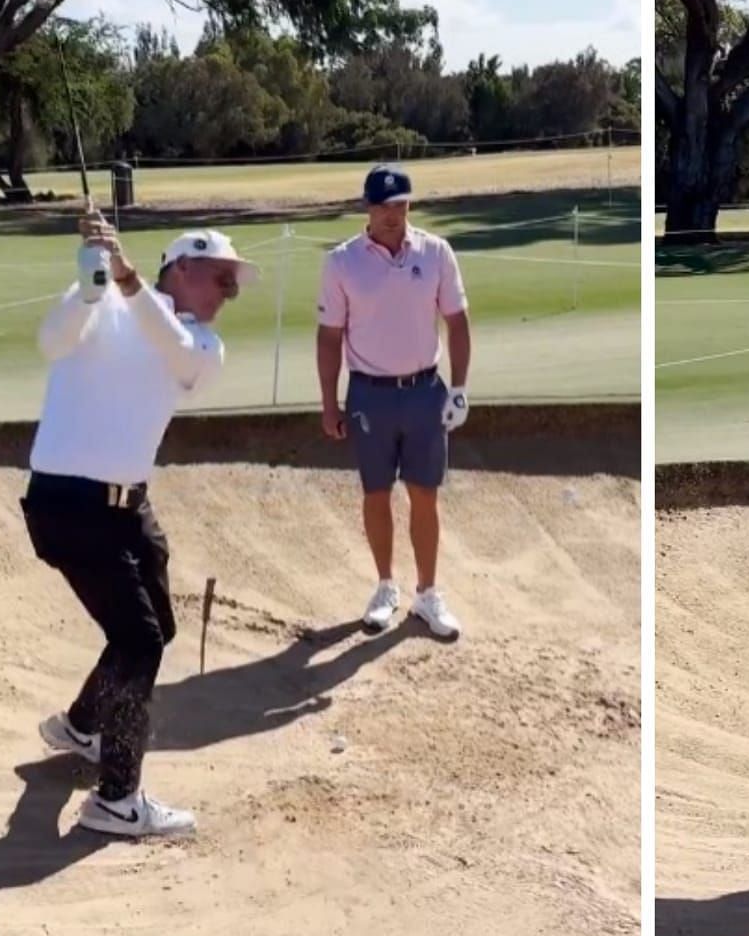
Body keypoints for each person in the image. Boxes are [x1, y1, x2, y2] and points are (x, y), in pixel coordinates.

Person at [24, 208, 258, 837]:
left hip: (129, 508)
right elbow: (51, 342)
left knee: (159, 624)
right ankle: (117, 800)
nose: (229, 295)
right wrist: (89, 283)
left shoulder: (202, 345)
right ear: (180, 270)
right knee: (139, 641)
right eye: (221, 279)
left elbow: (171, 346)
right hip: (69, 502)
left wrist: (124, 280)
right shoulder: (104, 299)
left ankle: (81, 726)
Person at [316, 164, 472, 639]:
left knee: (425, 493)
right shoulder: (342, 262)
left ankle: (427, 594)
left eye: (400, 204)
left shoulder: (436, 252)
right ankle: (386, 586)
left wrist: (460, 388)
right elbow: (328, 338)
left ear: (410, 204)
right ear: (368, 207)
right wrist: (330, 402)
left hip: (425, 391)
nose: (392, 214)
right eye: (383, 205)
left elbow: (458, 323)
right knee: (376, 493)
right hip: (368, 394)